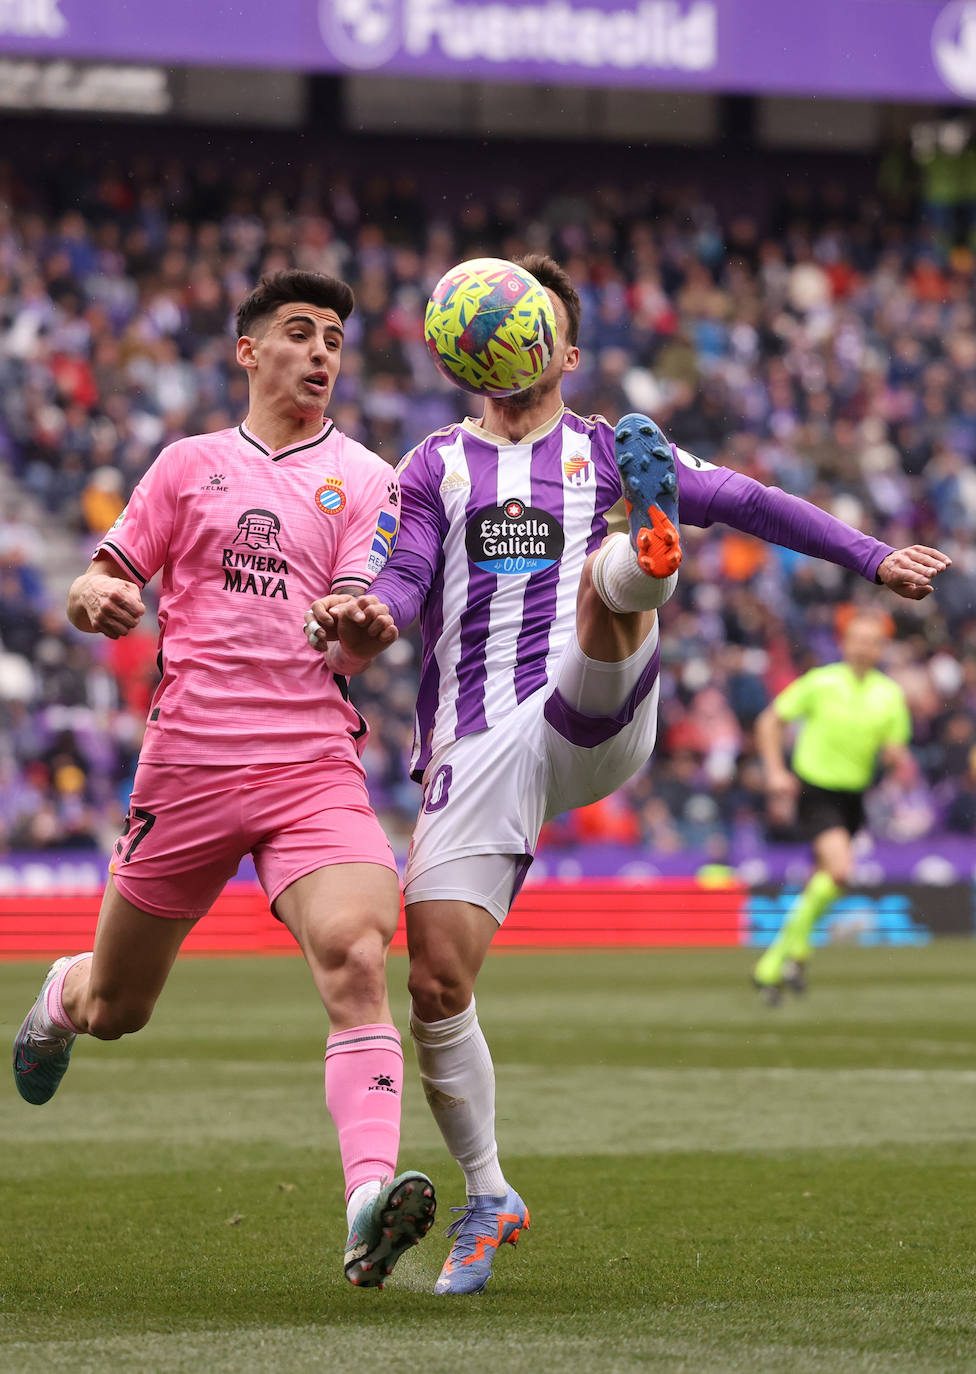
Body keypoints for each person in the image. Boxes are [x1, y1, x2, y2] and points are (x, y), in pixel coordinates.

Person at [304, 253, 951, 1295]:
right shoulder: (431, 464)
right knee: (432, 982)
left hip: (593, 701)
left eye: (545, 325)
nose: (526, 340)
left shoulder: (605, 448)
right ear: (468, 349)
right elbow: (405, 573)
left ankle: (647, 554)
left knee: (615, 590)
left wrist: (871, 558)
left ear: (566, 348)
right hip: (477, 747)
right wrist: (368, 611)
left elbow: (743, 497)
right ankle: (489, 1193)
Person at [12, 269, 435, 1289]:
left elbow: (360, 603)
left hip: (309, 762)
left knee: (357, 953)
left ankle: (367, 1203)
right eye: (299, 333)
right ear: (249, 352)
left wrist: (359, 619)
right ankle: (60, 999)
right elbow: (106, 576)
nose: (322, 353)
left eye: (335, 337)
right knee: (121, 1007)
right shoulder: (187, 464)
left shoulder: (366, 478)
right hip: (192, 764)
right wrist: (91, 597)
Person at [751, 612, 914, 1004]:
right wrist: (774, 771)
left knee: (823, 883)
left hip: (854, 798)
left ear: (881, 648)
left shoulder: (889, 694)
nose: (863, 646)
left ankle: (796, 955)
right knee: (840, 871)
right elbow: (769, 722)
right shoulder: (821, 682)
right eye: (857, 638)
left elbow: (896, 750)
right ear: (844, 643)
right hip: (816, 791)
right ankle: (770, 965)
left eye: (872, 640)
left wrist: (897, 760)